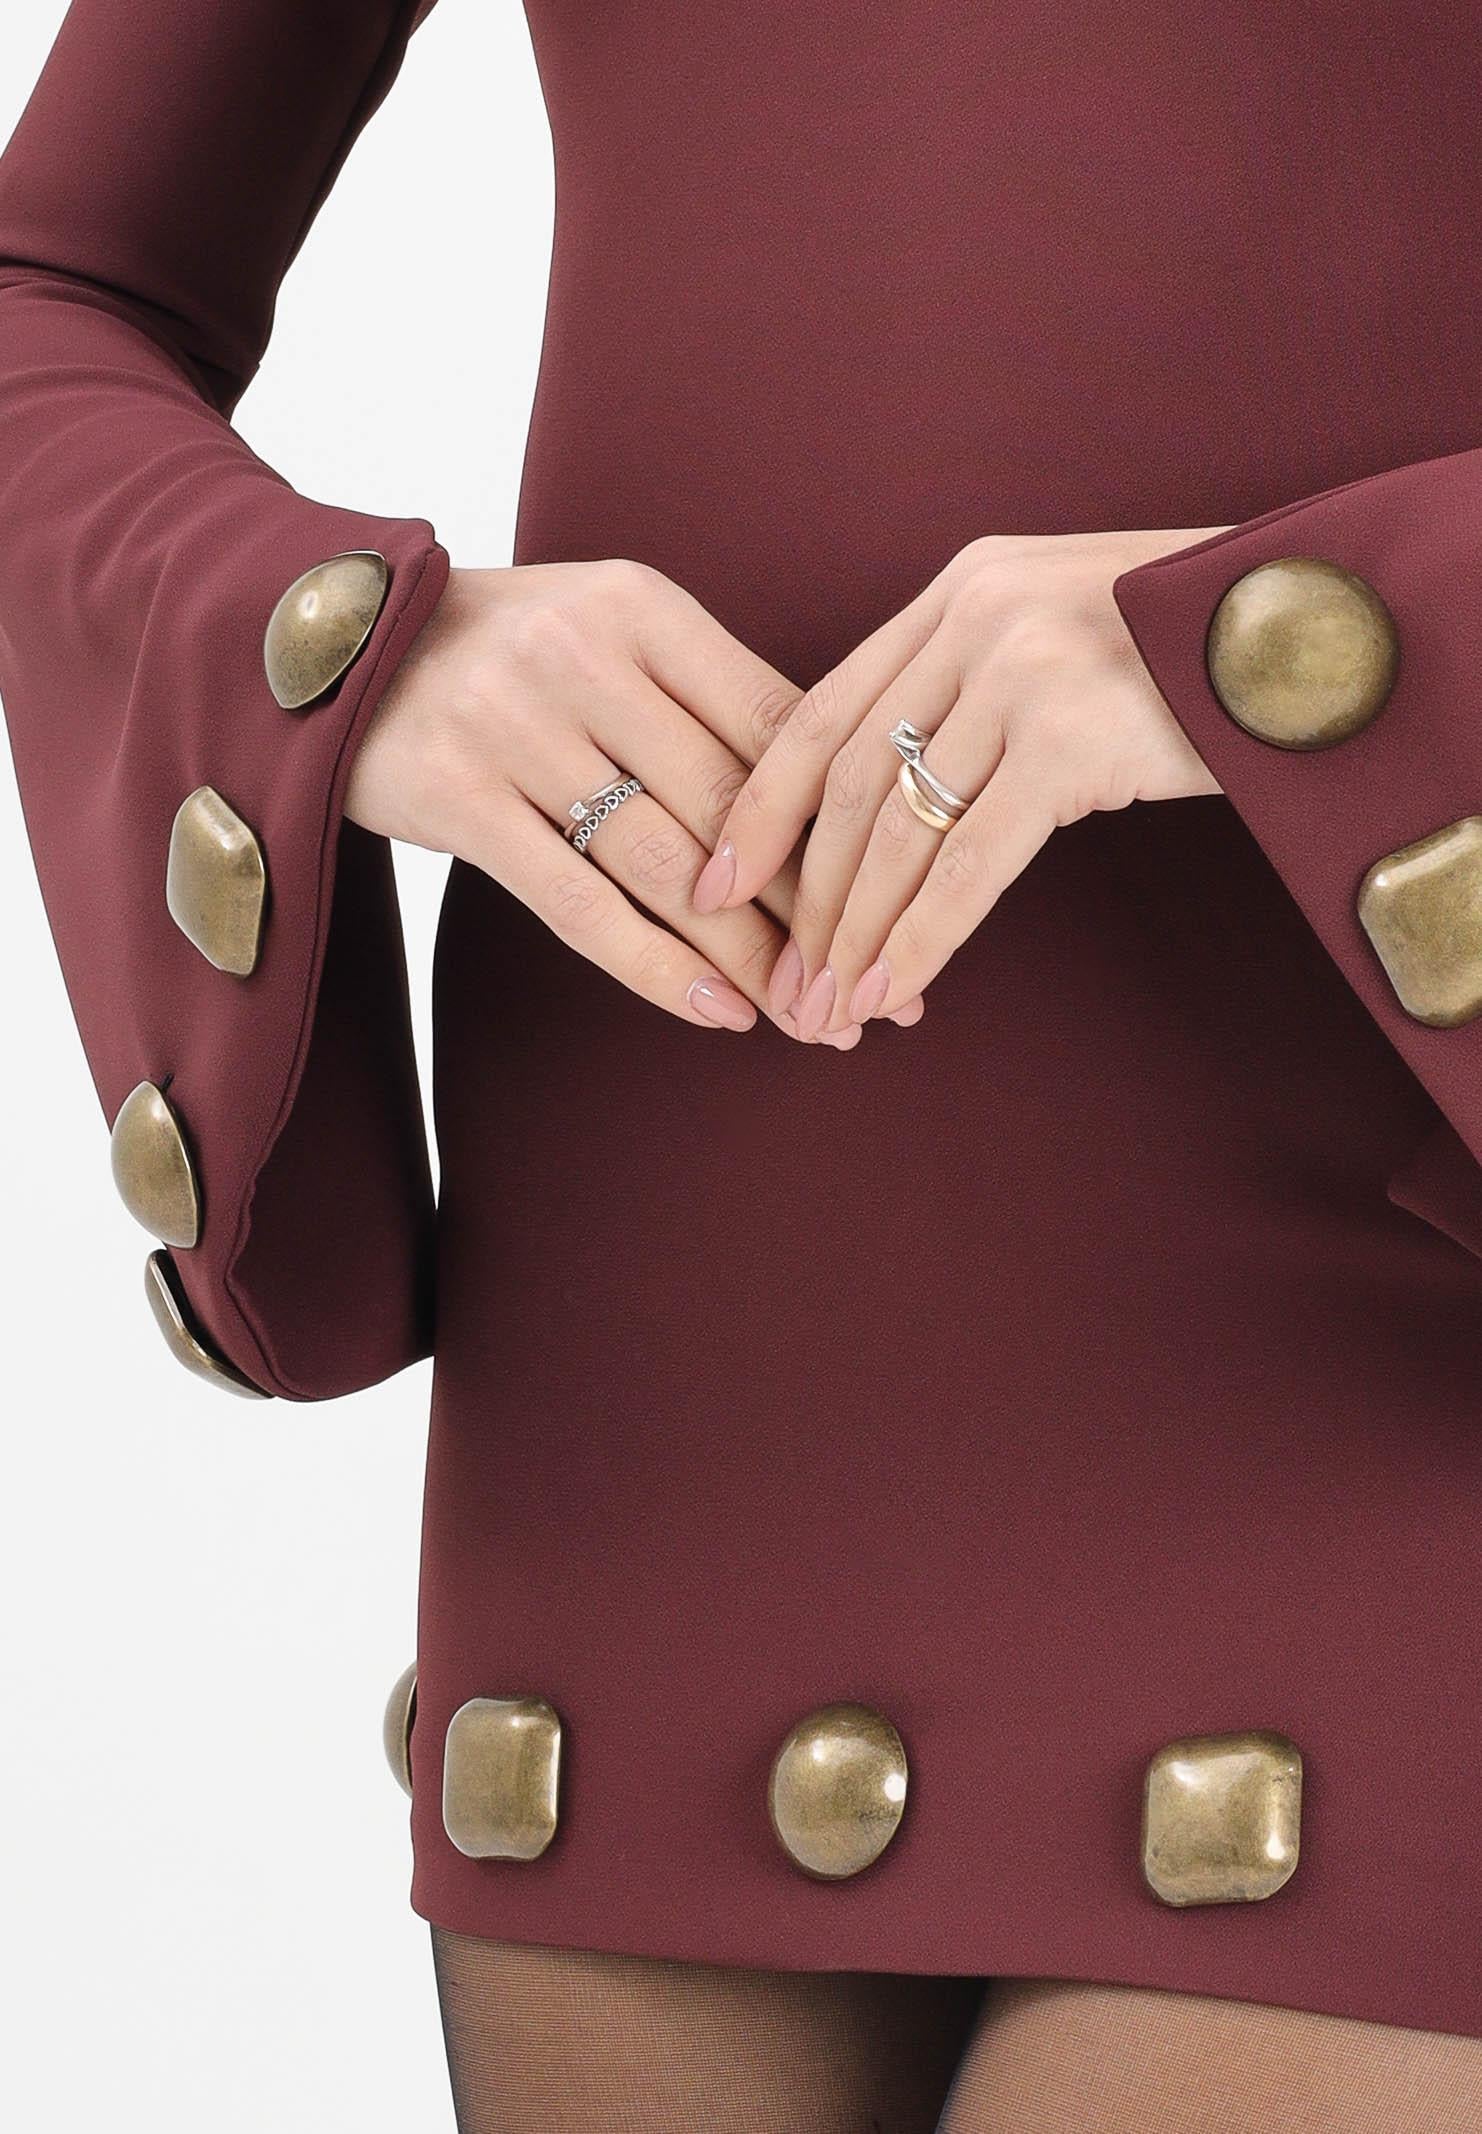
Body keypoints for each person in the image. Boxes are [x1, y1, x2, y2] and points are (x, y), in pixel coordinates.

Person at [3, 2, 1482, 2127]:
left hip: (1397, 1249)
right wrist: (348, 649)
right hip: (690, 1270)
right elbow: (50, 290)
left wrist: (1319, 636)